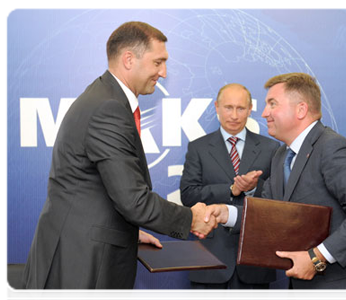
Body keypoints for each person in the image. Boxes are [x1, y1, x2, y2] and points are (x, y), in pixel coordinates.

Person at [22, 21, 217, 300]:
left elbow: (96, 189)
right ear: (129, 59)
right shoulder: (108, 108)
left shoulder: (105, 97)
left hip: (80, 256)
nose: (163, 72)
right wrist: (190, 219)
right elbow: (133, 201)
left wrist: (127, 232)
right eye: (158, 62)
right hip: (79, 269)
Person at [206, 73, 346, 300]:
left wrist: (316, 257)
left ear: (300, 110)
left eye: (272, 104)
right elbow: (269, 213)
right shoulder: (282, 154)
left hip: (344, 289)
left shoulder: (332, 148)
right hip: (303, 288)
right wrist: (226, 214)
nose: (264, 113)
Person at [180, 83, 280, 300]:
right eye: (228, 108)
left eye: (240, 109)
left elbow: (278, 202)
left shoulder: (271, 149)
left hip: (253, 258)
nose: (234, 115)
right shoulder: (198, 147)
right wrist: (230, 190)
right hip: (208, 255)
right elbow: (188, 195)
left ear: (250, 109)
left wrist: (254, 188)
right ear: (216, 107)